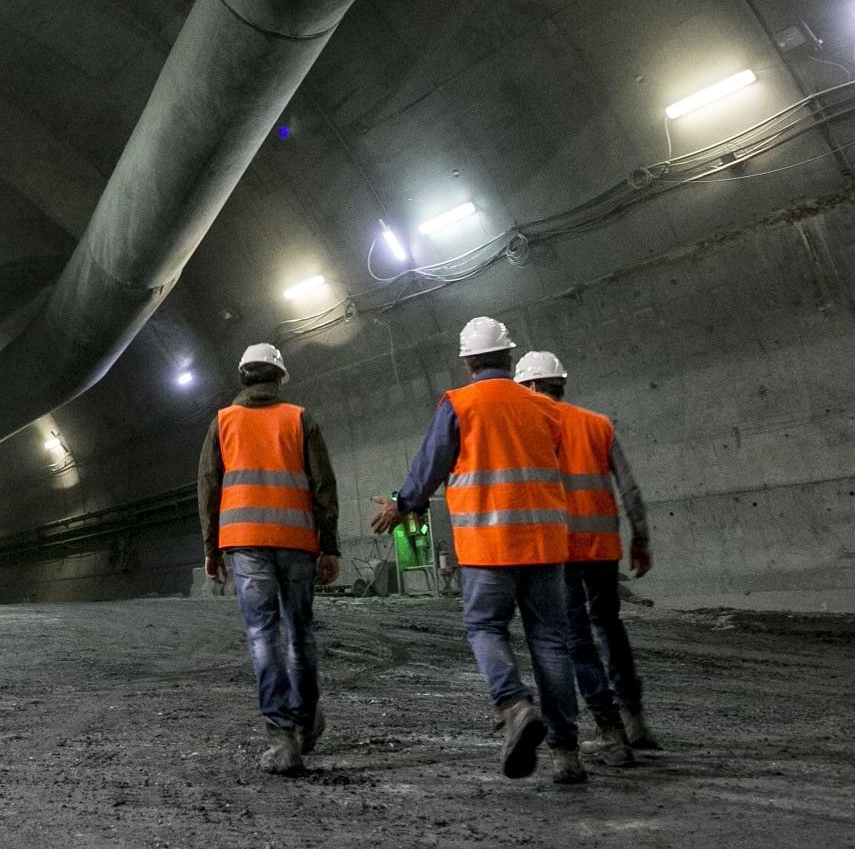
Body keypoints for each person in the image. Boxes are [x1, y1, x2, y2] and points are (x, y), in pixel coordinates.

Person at [372, 317, 585, 784]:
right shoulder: (546, 408)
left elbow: (430, 466)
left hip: (488, 546)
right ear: (510, 358)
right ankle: (566, 754)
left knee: (485, 627)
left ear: (468, 361)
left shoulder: (459, 404)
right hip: (545, 544)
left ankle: (513, 705)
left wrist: (402, 505)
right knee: (551, 641)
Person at [199, 342, 340, 775]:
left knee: (263, 635)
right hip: (297, 539)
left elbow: (208, 485)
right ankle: (305, 721)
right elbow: (323, 485)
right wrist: (329, 544)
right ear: (280, 377)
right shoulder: (299, 418)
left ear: (243, 377)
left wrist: (211, 547)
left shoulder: (223, 421)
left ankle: (282, 741)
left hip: (245, 542)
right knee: (300, 634)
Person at [514, 350, 659, 760]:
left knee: (576, 639)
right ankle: (636, 722)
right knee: (611, 628)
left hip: (559, 549)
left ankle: (610, 731)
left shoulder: (532, 427)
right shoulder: (599, 424)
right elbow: (629, 488)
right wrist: (641, 540)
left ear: (535, 386)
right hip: (603, 547)